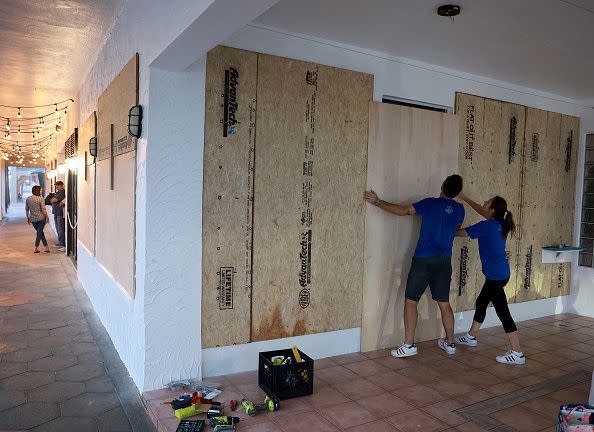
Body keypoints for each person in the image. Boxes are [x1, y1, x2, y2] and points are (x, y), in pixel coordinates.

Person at [364, 174, 464, 358]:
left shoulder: (430, 204)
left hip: (424, 260)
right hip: (444, 261)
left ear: (442, 186)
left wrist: (378, 202)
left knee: (411, 301)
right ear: (458, 192)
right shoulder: (460, 209)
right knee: (444, 303)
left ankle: (409, 345)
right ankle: (450, 343)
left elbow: (403, 211)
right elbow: (456, 228)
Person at [454, 193, 525, 365]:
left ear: (492, 209)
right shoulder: (499, 222)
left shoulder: (487, 226)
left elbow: (459, 233)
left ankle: (517, 353)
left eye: (487, 202)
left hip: (495, 276)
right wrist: (463, 197)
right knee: (481, 302)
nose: (483, 202)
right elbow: (481, 210)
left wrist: (449, 223)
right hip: (501, 274)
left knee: (503, 312)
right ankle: (471, 336)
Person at [25, 185, 50, 253]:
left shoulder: (28, 199)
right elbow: (43, 209)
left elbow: (27, 209)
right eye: (40, 190)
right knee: (39, 233)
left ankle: (46, 248)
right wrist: (47, 217)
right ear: (38, 191)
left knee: (40, 232)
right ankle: (36, 248)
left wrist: (28, 218)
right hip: (41, 219)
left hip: (33, 219)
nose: (41, 191)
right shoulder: (41, 198)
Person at [50, 180, 66, 251]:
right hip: (56, 212)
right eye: (56, 185)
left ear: (61, 185)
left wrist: (53, 199)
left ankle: (62, 243)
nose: (56, 186)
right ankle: (60, 242)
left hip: (60, 213)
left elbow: (54, 200)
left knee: (60, 229)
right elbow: (51, 200)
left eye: (57, 185)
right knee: (57, 228)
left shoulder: (62, 192)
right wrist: (53, 199)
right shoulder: (58, 192)